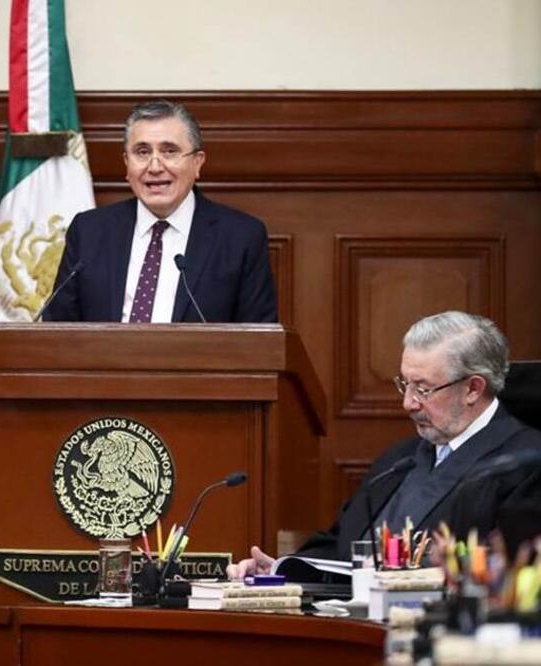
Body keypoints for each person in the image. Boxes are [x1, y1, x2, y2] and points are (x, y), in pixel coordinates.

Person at [228, 311, 541, 578]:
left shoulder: (525, 464)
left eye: (423, 389)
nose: (408, 403)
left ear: (473, 388)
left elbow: (507, 571)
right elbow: (340, 547)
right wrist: (280, 570)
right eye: (405, 384)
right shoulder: (398, 460)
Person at [42, 99, 277, 323]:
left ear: (197, 162)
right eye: (142, 152)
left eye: (169, 151)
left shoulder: (240, 238)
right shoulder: (89, 232)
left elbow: (259, 339)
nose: (155, 167)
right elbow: (58, 330)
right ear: (127, 163)